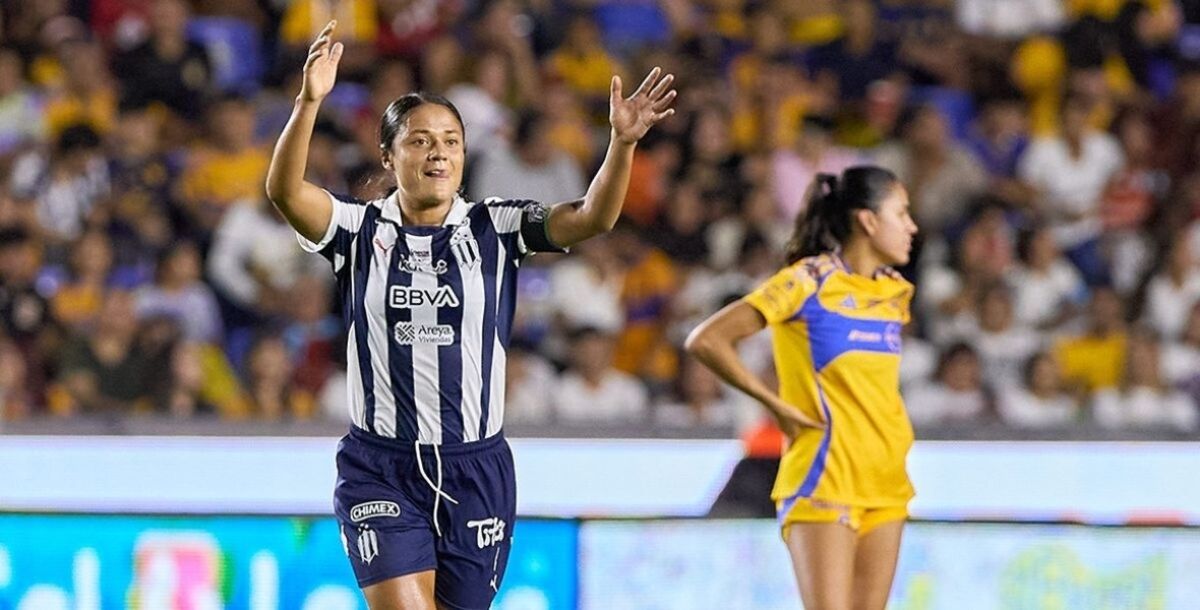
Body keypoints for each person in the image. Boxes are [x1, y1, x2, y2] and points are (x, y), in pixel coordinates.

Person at [264, 21, 675, 610]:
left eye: (451, 140)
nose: (438, 152)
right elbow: (284, 192)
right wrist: (308, 102)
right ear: (389, 153)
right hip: (381, 466)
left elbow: (591, 218)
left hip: (475, 467)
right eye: (420, 139)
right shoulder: (358, 230)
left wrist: (623, 143)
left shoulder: (497, 226)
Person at [686, 166, 918, 609]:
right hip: (824, 479)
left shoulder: (894, 293)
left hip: (887, 481)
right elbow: (707, 340)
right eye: (901, 213)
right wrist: (775, 405)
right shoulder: (806, 282)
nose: (911, 226)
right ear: (868, 221)